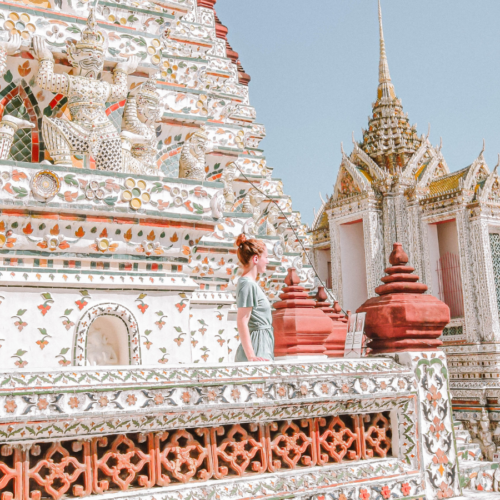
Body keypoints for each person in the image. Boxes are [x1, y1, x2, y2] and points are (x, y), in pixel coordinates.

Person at [234, 234, 274, 362]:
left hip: (262, 345)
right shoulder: (247, 284)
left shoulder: (250, 284)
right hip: (257, 348)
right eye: (266, 257)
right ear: (256, 259)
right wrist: (251, 356)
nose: (267, 261)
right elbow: (242, 321)